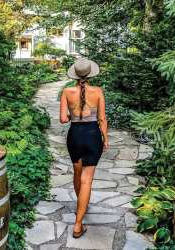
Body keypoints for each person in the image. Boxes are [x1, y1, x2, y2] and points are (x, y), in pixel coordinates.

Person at [59, 57, 108, 238]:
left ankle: (81, 204)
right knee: (87, 179)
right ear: (90, 73)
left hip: (75, 136)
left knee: (77, 174)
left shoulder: (66, 91)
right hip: (93, 136)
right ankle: (78, 224)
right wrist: (106, 138)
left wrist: (75, 116)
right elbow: (102, 118)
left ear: (75, 74)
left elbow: (63, 119)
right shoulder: (98, 91)